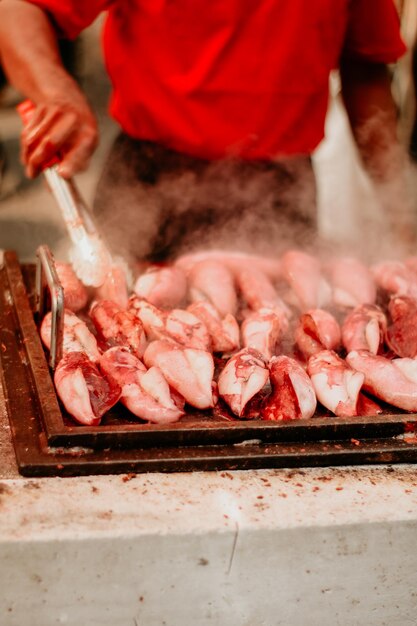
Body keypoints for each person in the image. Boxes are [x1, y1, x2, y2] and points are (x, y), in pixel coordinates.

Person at [0, 0, 413, 262]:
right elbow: (19, 8)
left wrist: (399, 215)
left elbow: (366, 68)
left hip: (282, 194)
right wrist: (57, 93)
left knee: (284, 349)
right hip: (152, 185)